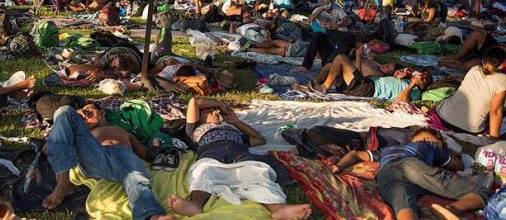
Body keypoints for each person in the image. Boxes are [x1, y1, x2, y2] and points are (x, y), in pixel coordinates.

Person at [167, 97, 312, 219]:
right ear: (199, 118)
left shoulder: (231, 129)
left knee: (256, 172)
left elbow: (259, 140)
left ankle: (277, 208)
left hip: (239, 153)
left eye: (216, 111)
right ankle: (195, 204)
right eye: (209, 111)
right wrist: (220, 104)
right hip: (211, 154)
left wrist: (236, 122)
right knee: (202, 172)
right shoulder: (193, 130)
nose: (215, 112)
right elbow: (194, 102)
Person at [42, 105, 175, 220]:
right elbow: (48, 149)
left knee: (137, 180)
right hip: (94, 157)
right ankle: (63, 183)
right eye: (82, 114)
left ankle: (152, 215)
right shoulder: (84, 135)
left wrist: (157, 144)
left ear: (102, 112)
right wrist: (70, 123)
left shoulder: (122, 131)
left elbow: (146, 154)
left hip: (123, 157)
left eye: (89, 111)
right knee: (64, 111)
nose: (86, 115)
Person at [330, 127, 489, 220]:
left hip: (386, 174)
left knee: (403, 204)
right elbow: (457, 165)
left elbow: (356, 154)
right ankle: (452, 209)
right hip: (413, 166)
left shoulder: (387, 150)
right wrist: (456, 158)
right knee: (481, 191)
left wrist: (338, 166)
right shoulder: (430, 146)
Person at [433, 47, 506, 138]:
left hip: (444, 117)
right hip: (468, 129)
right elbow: (495, 111)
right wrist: (494, 139)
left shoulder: (474, 69)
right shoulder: (503, 80)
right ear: (502, 65)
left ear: (483, 60)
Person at [305, 52, 430, 101]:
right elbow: (360, 76)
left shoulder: (415, 91)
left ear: (424, 85)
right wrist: (399, 75)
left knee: (340, 58)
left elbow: (402, 100)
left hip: (368, 88)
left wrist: (413, 83)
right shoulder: (398, 79)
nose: (421, 76)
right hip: (363, 84)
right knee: (330, 66)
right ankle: (313, 86)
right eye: (422, 74)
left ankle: (323, 88)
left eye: (425, 78)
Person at [295, 0, 354, 72]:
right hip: (325, 41)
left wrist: (338, 25)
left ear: (333, 0)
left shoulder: (337, 9)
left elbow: (348, 20)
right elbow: (310, 19)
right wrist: (322, 8)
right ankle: (306, 66)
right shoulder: (318, 10)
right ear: (323, 0)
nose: (328, 1)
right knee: (317, 35)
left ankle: (331, 62)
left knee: (349, 36)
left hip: (335, 39)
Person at [438, 29, 502, 71]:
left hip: (496, 60)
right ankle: (457, 57)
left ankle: (454, 64)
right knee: (478, 33)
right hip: (497, 48)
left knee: (475, 63)